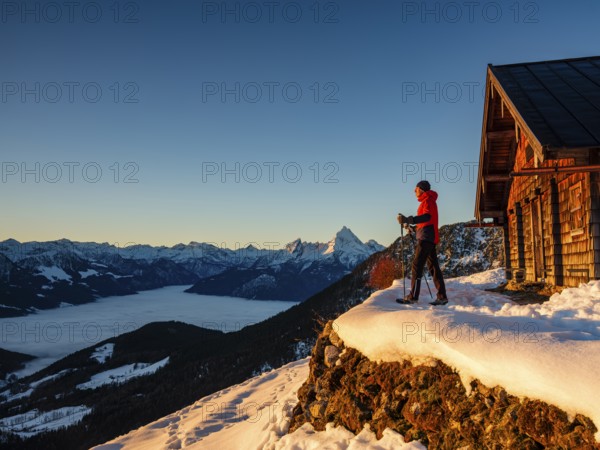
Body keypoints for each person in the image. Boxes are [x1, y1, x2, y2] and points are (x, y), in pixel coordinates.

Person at [396, 180, 448, 305]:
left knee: (417, 265)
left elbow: (427, 217)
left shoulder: (428, 200)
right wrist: (412, 227)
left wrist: (410, 219)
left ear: (422, 189)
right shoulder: (427, 201)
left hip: (426, 238)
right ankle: (442, 297)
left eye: (416, 188)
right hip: (428, 236)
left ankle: (413, 297)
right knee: (433, 267)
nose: (414, 191)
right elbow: (425, 222)